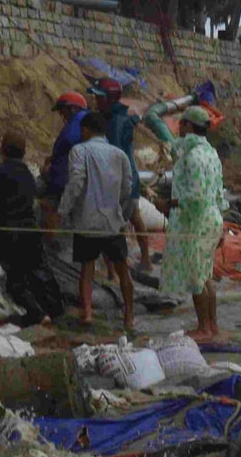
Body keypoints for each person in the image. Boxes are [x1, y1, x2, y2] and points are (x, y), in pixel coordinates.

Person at [0, 131, 62, 327]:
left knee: (15, 281)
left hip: (8, 234)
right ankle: (56, 310)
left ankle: (36, 314)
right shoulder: (28, 175)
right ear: (24, 152)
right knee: (39, 272)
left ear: (2, 149)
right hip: (31, 232)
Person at [59, 112, 139, 331]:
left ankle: (86, 314)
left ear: (86, 130)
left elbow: (76, 182)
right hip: (113, 222)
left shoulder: (79, 151)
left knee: (87, 269)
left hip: (86, 221)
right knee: (123, 270)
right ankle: (129, 316)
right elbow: (128, 187)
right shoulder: (119, 154)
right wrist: (120, 212)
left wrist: (63, 210)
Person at [161, 106, 228, 342]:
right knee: (205, 274)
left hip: (197, 220)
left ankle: (204, 328)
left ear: (189, 126)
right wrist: (223, 223)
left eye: (182, 123)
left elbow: (196, 195)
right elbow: (220, 192)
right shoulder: (211, 153)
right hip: (212, 217)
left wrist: (172, 202)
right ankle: (213, 325)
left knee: (196, 277)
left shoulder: (193, 156)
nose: (178, 127)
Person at [90, 78, 154, 269]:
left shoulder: (115, 121)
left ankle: (117, 267)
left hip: (120, 178)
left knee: (117, 221)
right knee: (134, 216)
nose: (96, 101)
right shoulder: (117, 116)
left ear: (109, 99)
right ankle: (145, 260)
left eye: (99, 97)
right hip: (129, 176)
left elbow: (114, 153)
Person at [38, 91, 89, 228]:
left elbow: (70, 142)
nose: (62, 115)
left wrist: (51, 166)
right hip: (77, 184)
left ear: (73, 108)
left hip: (64, 185)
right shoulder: (85, 121)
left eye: (62, 110)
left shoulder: (77, 122)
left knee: (50, 211)